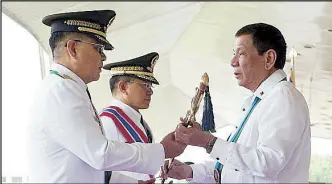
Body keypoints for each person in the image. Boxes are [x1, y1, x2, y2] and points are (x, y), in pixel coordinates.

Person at [26, 10, 186, 183]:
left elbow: (90, 166)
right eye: (98, 48)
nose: (104, 56)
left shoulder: (68, 88)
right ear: (73, 49)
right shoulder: (60, 91)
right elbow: (100, 155)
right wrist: (162, 150)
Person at [163, 23, 311, 183]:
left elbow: (267, 163)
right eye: (235, 54)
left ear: (268, 59)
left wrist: (207, 142)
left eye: (241, 54)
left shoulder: (282, 97)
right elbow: (236, 170)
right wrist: (189, 171)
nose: (233, 62)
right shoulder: (260, 101)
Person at [99, 52, 161, 183]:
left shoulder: (137, 119)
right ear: (123, 87)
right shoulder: (108, 120)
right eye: (145, 85)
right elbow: (102, 171)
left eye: (151, 86)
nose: (150, 91)